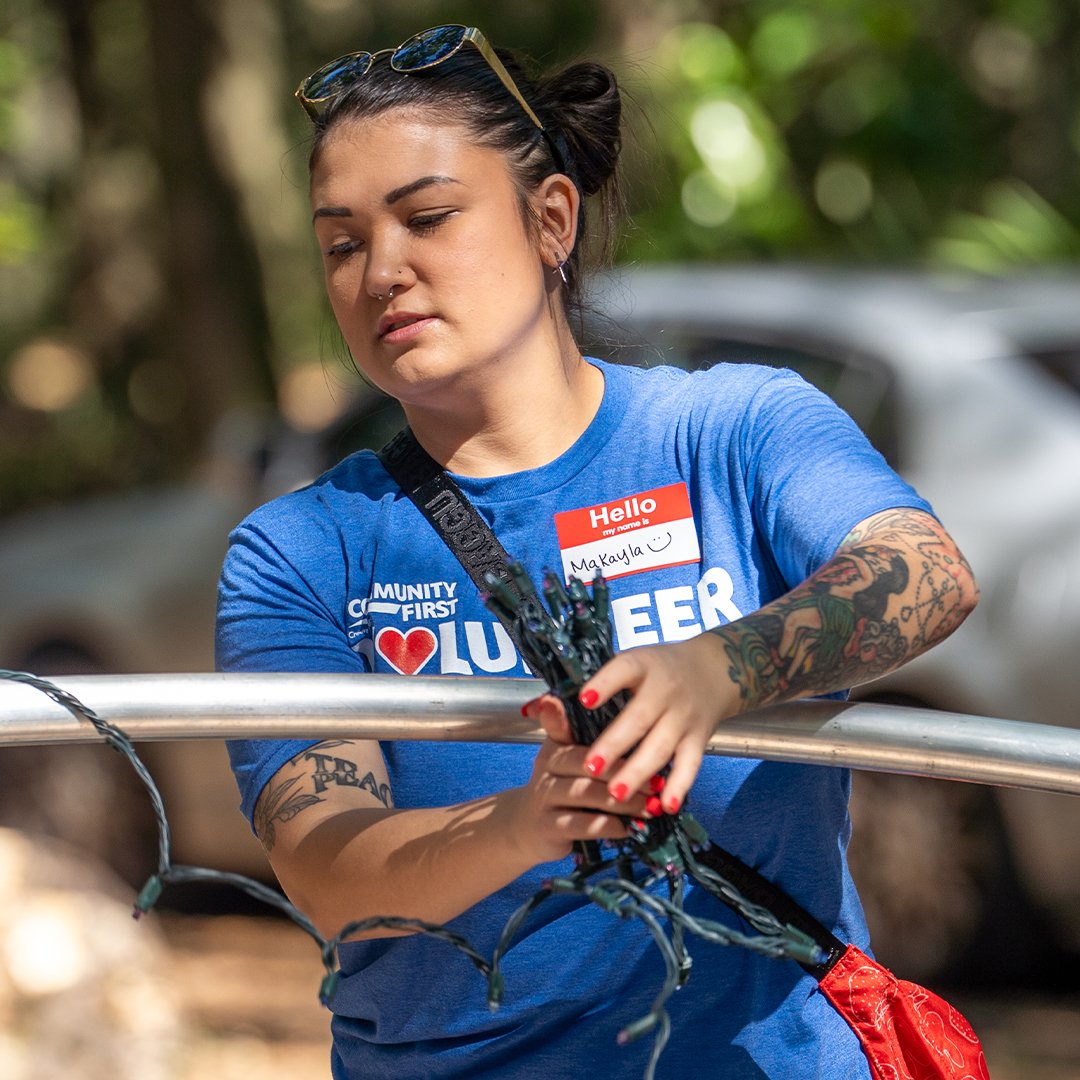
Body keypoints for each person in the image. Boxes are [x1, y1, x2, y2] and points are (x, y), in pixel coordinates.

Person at [216, 24, 978, 1080]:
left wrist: (721, 669)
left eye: (427, 217)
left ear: (551, 219)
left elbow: (927, 570)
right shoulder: (300, 548)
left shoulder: (734, 429)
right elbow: (329, 867)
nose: (382, 270)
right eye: (341, 243)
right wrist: (530, 820)